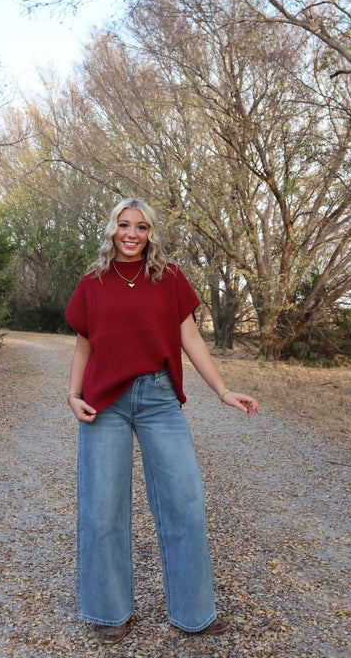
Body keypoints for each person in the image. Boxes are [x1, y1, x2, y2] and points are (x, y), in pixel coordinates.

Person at [65, 197, 259, 646]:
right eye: (124, 225)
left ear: (150, 233)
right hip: (103, 403)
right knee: (102, 509)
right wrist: (72, 396)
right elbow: (83, 345)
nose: (131, 235)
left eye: (141, 227)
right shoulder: (92, 281)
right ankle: (109, 611)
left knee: (185, 501)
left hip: (158, 399)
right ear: (112, 229)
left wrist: (223, 391)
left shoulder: (167, 277)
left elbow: (190, 337)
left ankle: (193, 612)